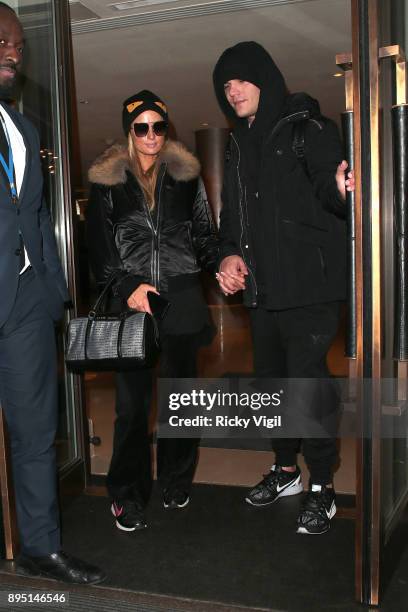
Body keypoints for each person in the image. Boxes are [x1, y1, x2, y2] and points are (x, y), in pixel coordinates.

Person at [213, 41, 355, 535]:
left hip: (311, 287)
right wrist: (228, 255)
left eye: (240, 80)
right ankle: (286, 469)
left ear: (265, 78)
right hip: (264, 294)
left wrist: (340, 189)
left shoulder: (308, 129)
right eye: (225, 86)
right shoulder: (236, 146)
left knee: (307, 384)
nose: (232, 92)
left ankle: (322, 486)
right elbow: (232, 220)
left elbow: (329, 185)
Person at [0, 2, 105, 583]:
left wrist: (53, 290)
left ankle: (41, 547)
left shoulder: (25, 129)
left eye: (18, 43)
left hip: (25, 310)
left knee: (36, 430)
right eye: (2, 41)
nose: (14, 51)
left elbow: (35, 215)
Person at [86, 89, 218, 531]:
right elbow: (100, 249)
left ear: (167, 128)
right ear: (130, 131)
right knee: (131, 407)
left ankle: (177, 479)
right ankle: (126, 493)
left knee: (182, 400)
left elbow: (204, 234)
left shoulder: (186, 178)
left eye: (158, 126)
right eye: (141, 127)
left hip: (180, 298)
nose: (150, 135)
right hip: (133, 303)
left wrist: (222, 264)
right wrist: (127, 285)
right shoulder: (108, 182)